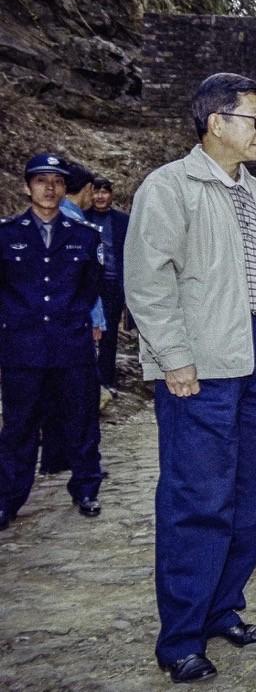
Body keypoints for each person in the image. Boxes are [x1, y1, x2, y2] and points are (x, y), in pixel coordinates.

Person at [125, 72, 256, 684]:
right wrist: (173, 355)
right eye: (255, 118)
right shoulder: (170, 187)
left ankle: (223, 607)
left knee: (251, 492)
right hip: (202, 359)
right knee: (197, 497)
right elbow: (148, 280)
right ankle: (181, 637)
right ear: (216, 122)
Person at [0, 153, 104, 532]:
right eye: (41, 181)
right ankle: (8, 498)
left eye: (57, 182)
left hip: (70, 345)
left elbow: (91, 285)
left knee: (81, 420)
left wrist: (72, 317)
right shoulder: (7, 235)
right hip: (22, 349)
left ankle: (86, 488)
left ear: (64, 189)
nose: (50, 188)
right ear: (27, 187)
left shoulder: (85, 236)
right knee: (19, 427)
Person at [84, 175, 131, 396]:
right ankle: (85, 381)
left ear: (111, 195)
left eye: (104, 192)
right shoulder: (81, 218)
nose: (100, 196)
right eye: (96, 191)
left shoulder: (123, 221)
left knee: (109, 334)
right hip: (89, 284)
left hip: (113, 283)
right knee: (86, 332)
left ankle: (106, 380)